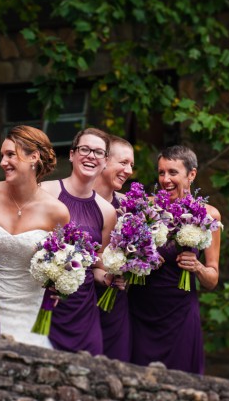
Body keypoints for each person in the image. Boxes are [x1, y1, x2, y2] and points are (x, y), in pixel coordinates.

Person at [128, 145, 222, 374]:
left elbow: (212, 279)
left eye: (173, 172)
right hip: (141, 308)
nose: (165, 179)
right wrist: (139, 256)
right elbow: (124, 253)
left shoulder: (208, 215)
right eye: (161, 172)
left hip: (180, 312)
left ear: (192, 174)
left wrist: (197, 267)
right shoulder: (145, 208)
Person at [0, 126, 70, 348]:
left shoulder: (57, 212)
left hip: (28, 309)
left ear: (33, 157)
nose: (3, 162)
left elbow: (59, 263)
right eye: (2, 155)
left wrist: (58, 284)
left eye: (10, 154)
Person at [40, 128, 117, 356]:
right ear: (72, 155)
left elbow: (98, 265)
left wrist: (111, 277)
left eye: (98, 152)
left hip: (83, 309)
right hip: (46, 301)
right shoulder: (46, 192)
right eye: (85, 149)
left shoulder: (107, 211)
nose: (91, 156)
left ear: (104, 162)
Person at [93, 135, 135, 361]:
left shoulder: (131, 206)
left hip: (115, 300)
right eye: (123, 162)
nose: (129, 170)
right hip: (77, 297)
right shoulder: (76, 199)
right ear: (104, 160)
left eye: (131, 165)